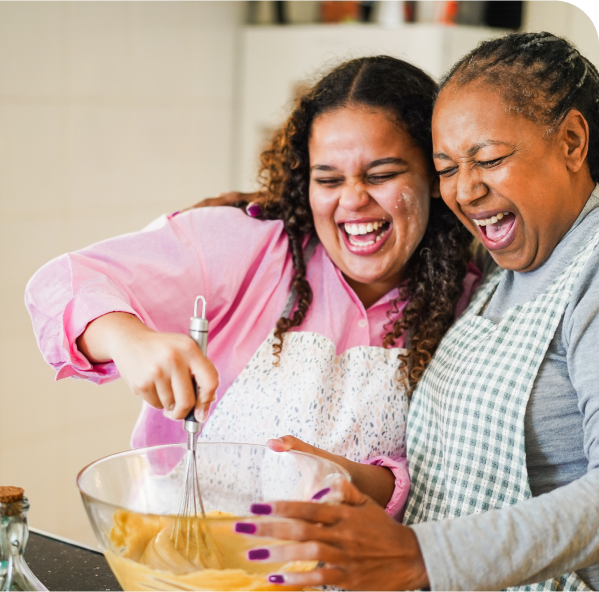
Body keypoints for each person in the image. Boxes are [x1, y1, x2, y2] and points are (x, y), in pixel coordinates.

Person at [25, 56, 477, 519]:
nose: (353, 199)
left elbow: (441, 474)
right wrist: (128, 339)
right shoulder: (244, 247)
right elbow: (60, 283)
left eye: (381, 175)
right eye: (329, 179)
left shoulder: (470, 303)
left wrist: (343, 479)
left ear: (435, 177)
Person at [239, 32, 599, 592]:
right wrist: (247, 211)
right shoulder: (500, 265)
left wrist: (421, 555)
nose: (466, 191)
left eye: (489, 159)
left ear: (573, 141)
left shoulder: (592, 268)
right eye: (447, 167)